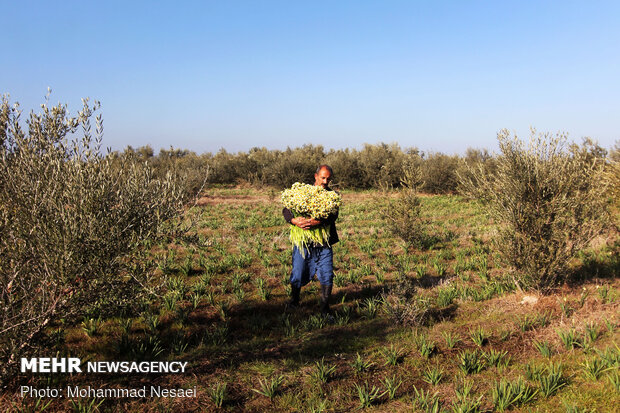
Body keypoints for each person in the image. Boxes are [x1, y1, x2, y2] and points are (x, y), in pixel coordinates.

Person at [282, 165, 339, 314]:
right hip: (303, 243)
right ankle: (294, 302)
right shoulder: (302, 192)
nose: (325, 181)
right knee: (298, 272)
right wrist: (294, 221)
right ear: (316, 176)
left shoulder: (332, 195)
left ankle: (325, 308)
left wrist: (319, 221)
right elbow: (286, 210)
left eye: (328, 179)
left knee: (327, 273)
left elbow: (333, 215)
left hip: (323, 243)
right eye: (323, 178)